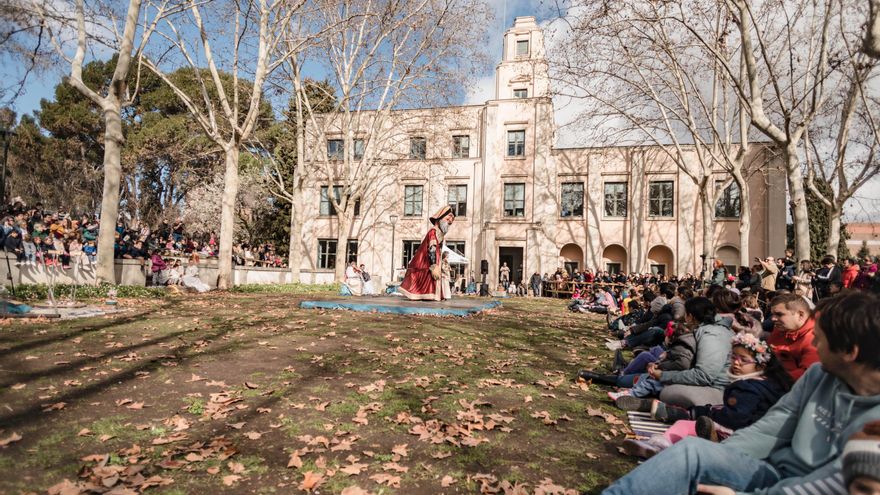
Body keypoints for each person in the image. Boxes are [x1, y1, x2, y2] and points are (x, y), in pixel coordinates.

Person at [602, 291, 880, 495]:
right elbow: (771, 428)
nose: (814, 341)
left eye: (820, 337)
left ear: (849, 352)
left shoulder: (873, 423)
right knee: (692, 451)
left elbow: (828, 487)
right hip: (773, 471)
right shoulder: (820, 376)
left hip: (798, 488)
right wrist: (721, 460)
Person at [619, 332, 794, 458]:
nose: (736, 363)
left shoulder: (748, 387)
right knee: (697, 414)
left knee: (685, 424)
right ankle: (670, 415)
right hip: (754, 432)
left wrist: (712, 414)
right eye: (734, 357)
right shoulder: (767, 384)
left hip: (739, 432)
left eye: (744, 360)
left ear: (760, 365)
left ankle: (659, 445)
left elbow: (735, 416)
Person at [398, 205, 455, 301]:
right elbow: (432, 248)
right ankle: (429, 295)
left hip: (434, 260)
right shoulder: (433, 232)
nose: (450, 221)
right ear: (441, 217)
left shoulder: (439, 233)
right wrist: (433, 265)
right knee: (430, 276)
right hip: (426, 262)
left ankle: (435, 295)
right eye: (449, 217)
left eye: (452, 219)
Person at [767, 293, 819, 381]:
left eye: (779, 314)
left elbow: (807, 377)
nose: (773, 319)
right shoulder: (782, 328)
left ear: (800, 315)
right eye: (773, 314)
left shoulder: (814, 340)